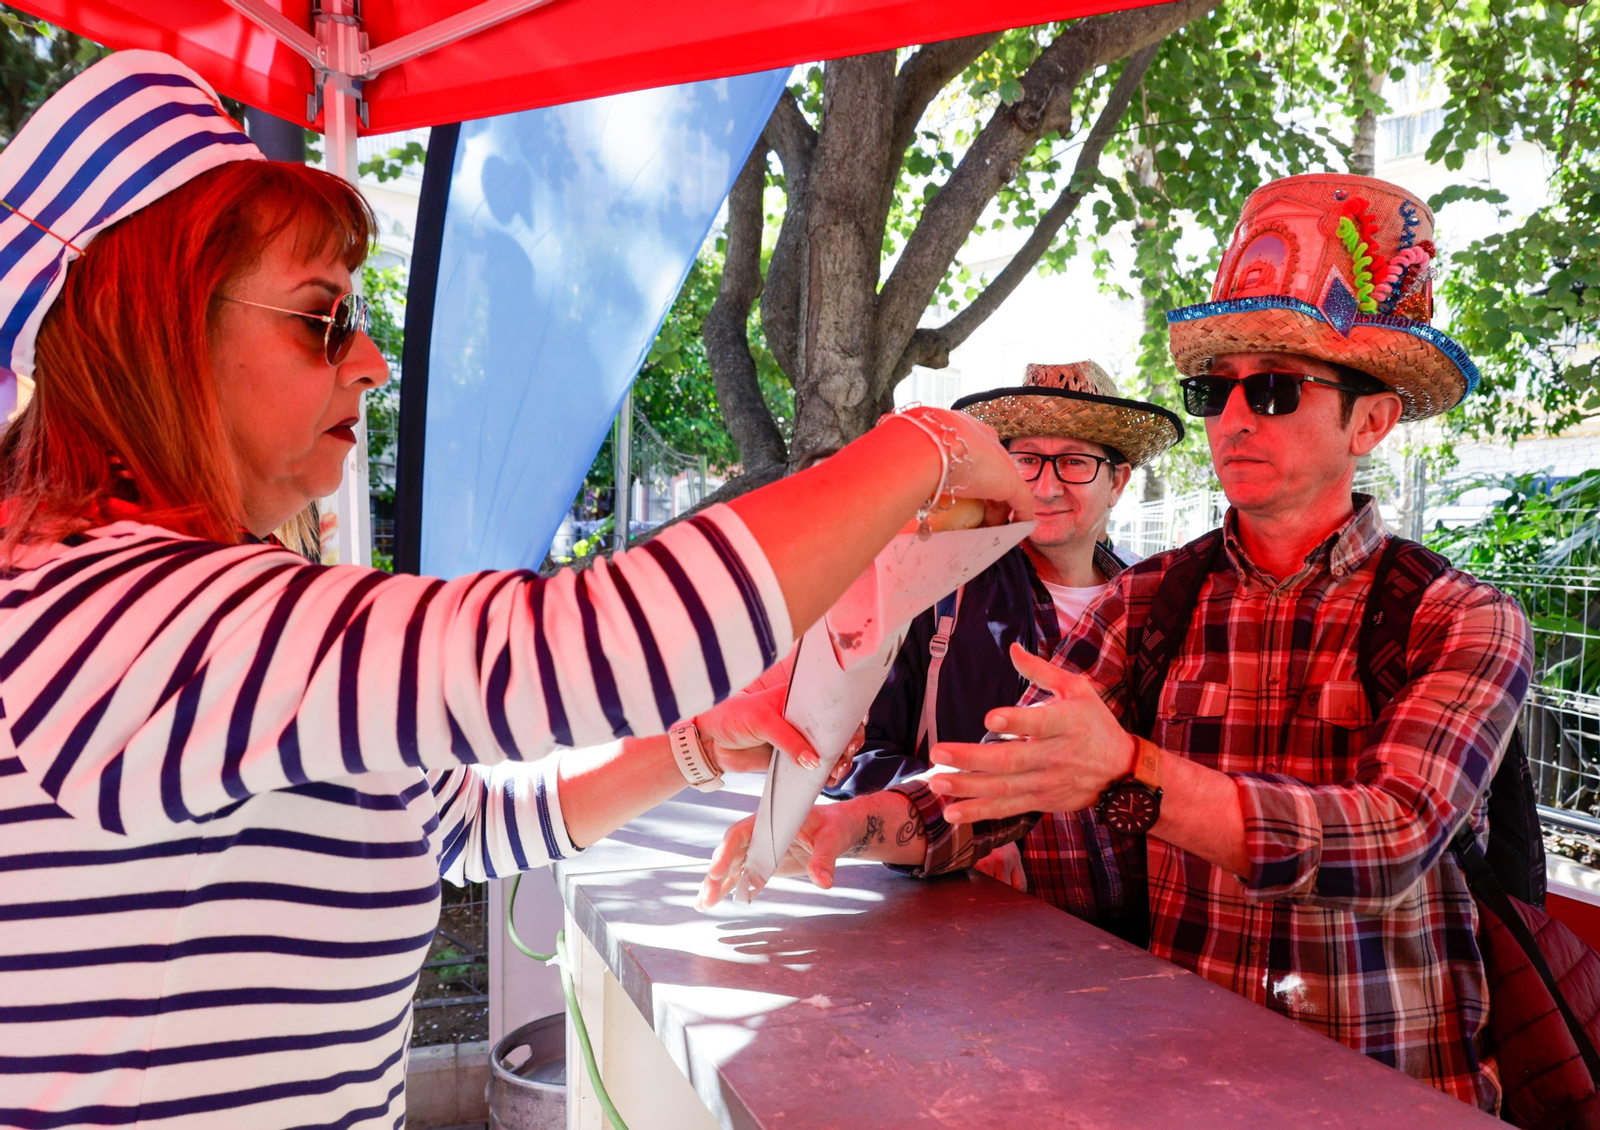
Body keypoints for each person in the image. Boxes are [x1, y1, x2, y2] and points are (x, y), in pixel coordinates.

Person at [0, 53, 1032, 1129]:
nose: (368, 361)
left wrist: (689, 746)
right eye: (320, 318)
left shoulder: (203, 614)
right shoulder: (106, 613)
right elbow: (580, 647)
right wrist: (926, 445)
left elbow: (447, 828)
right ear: (158, 329)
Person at [703, 173, 1531, 1113]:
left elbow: (1393, 837)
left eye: (1272, 387)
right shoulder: (1147, 604)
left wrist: (1128, 773)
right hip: (1185, 1079)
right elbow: (1006, 786)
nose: (1233, 418)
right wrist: (847, 826)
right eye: (1212, 391)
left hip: (1397, 1090)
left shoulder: (1461, 616)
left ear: (1372, 420)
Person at [827, 361, 1181, 928]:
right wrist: (967, 826)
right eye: (1027, 460)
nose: (1046, 485)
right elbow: (853, 757)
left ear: (1118, 481)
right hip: (985, 929)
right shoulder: (940, 591)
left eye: (1074, 461)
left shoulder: (1155, 604)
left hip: (1140, 939)